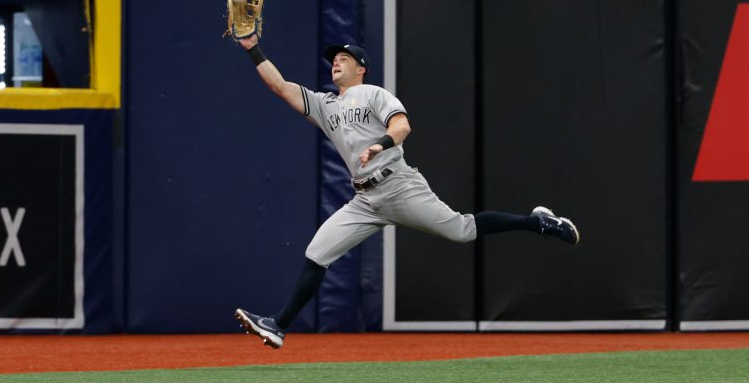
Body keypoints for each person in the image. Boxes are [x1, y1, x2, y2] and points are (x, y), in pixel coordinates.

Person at [233, 34, 579, 349]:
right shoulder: (326, 106)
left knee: (461, 230)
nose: (336, 61)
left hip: (398, 185)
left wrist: (380, 145)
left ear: (361, 68)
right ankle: (278, 325)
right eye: (333, 58)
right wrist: (252, 47)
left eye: (344, 57)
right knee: (317, 252)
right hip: (365, 201)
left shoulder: (373, 93)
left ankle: (538, 222)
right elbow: (280, 87)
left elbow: (402, 125)